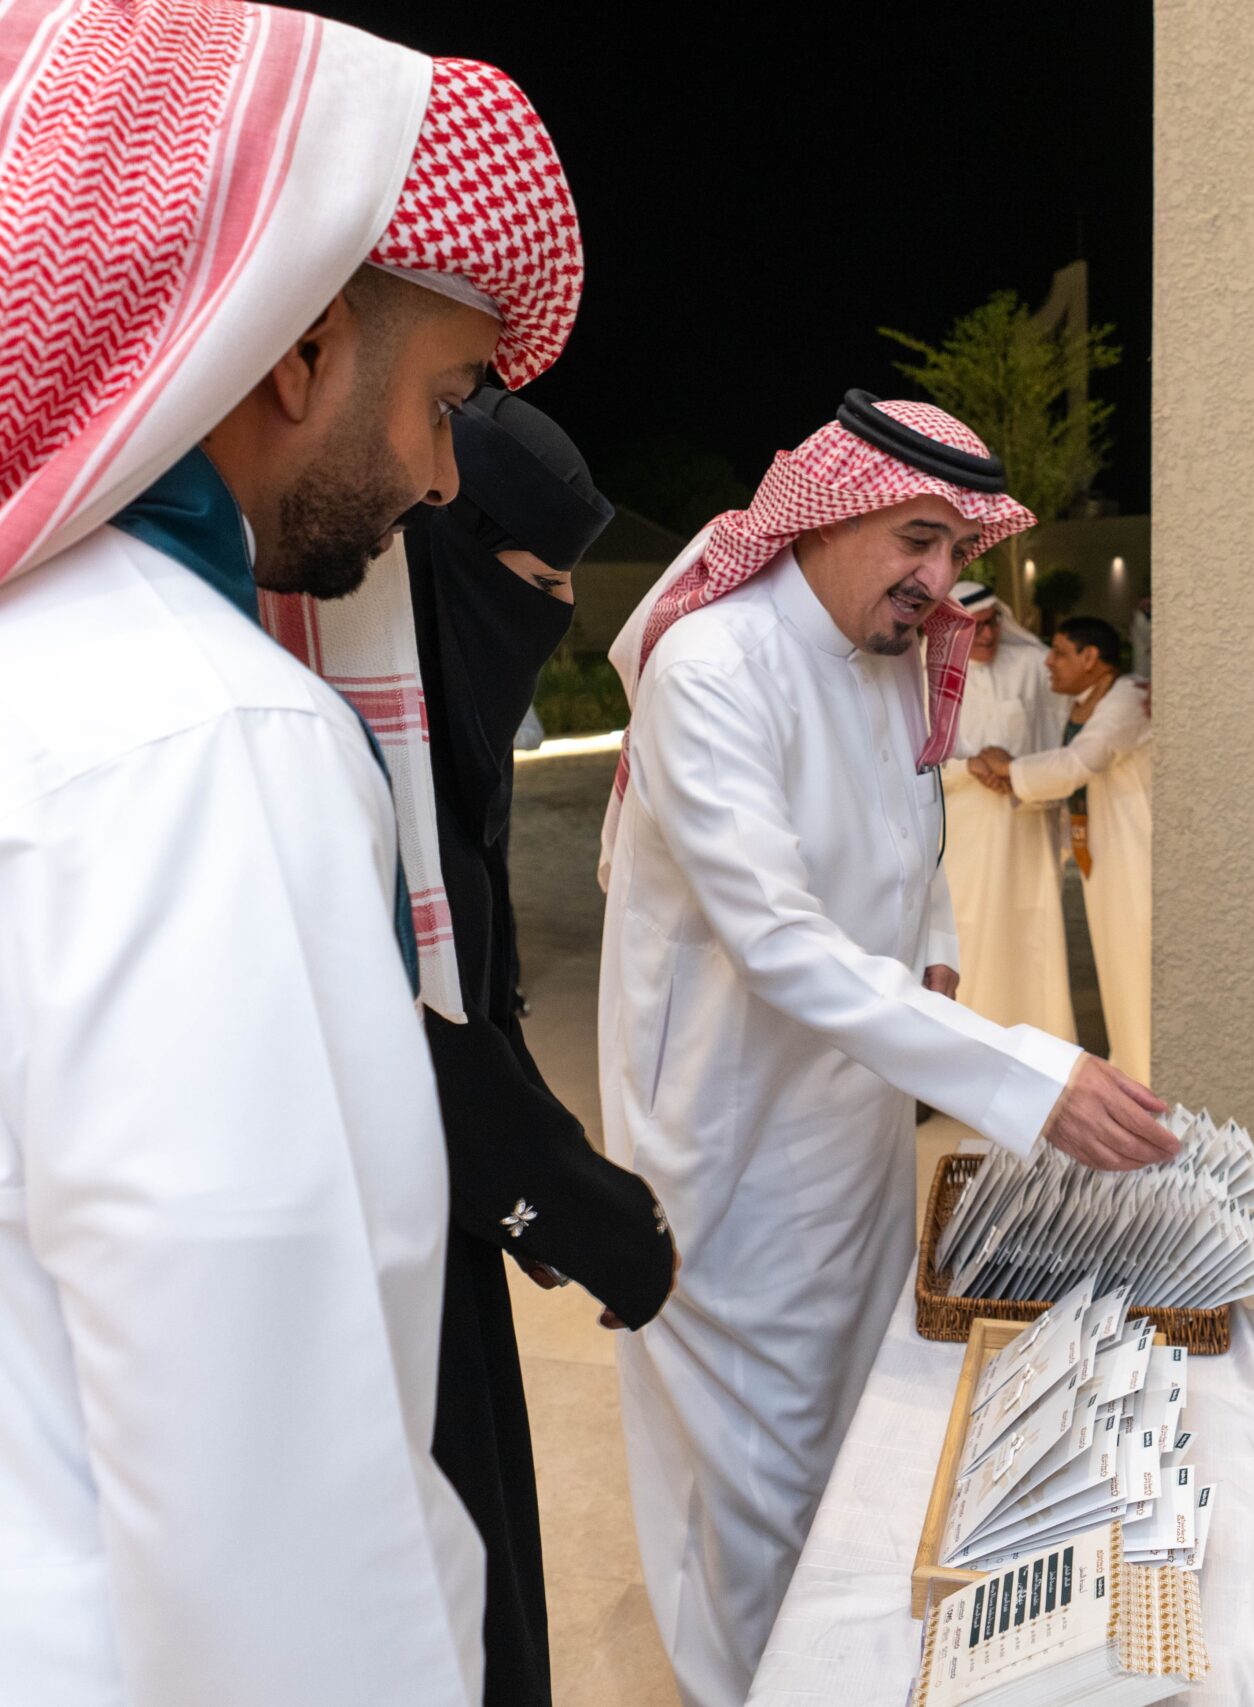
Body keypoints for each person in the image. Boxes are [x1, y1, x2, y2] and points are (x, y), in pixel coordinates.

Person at [0, 5, 585, 1702]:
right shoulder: (206, 740)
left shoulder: (0, 670)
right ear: (301, 349)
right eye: (443, 401)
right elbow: (286, 1543)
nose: (443, 478)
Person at [595, 391, 1179, 1707]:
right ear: (823, 514)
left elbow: (917, 833)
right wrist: (1026, 1073)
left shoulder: (897, 650)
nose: (938, 576)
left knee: (848, 1441)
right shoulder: (718, 667)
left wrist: (935, 944)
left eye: (956, 549)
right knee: (754, 1471)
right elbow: (778, 941)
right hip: (730, 1139)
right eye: (916, 537)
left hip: (856, 1118)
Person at [410, 387, 680, 1707]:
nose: (556, 612)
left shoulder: (441, 715)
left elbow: (477, 983)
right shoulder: (349, 740)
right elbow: (413, 1033)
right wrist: (579, 1205)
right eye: (535, 580)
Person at [974, 614, 1155, 1081]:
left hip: (1135, 855)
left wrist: (1009, 768)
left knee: (1139, 963)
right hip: (1101, 855)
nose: (1048, 662)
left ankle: (1149, 1073)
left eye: (1059, 652)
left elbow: (1079, 763)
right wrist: (1013, 777)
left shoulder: (1127, 699)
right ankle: (1131, 1068)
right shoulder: (1084, 702)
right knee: (1115, 965)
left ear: (1090, 658)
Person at [942, 579, 1077, 1039]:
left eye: (993, 622)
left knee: (1030, 932)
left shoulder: (1031, 666)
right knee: (969, 934)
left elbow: (1065, 727)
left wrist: (1018, 773)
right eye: (975, 627)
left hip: (1025, 828)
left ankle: (1041, 1048)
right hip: (964, 836)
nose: (988, 635)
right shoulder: (923, 676)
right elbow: (907, 762)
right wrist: (969, 767)